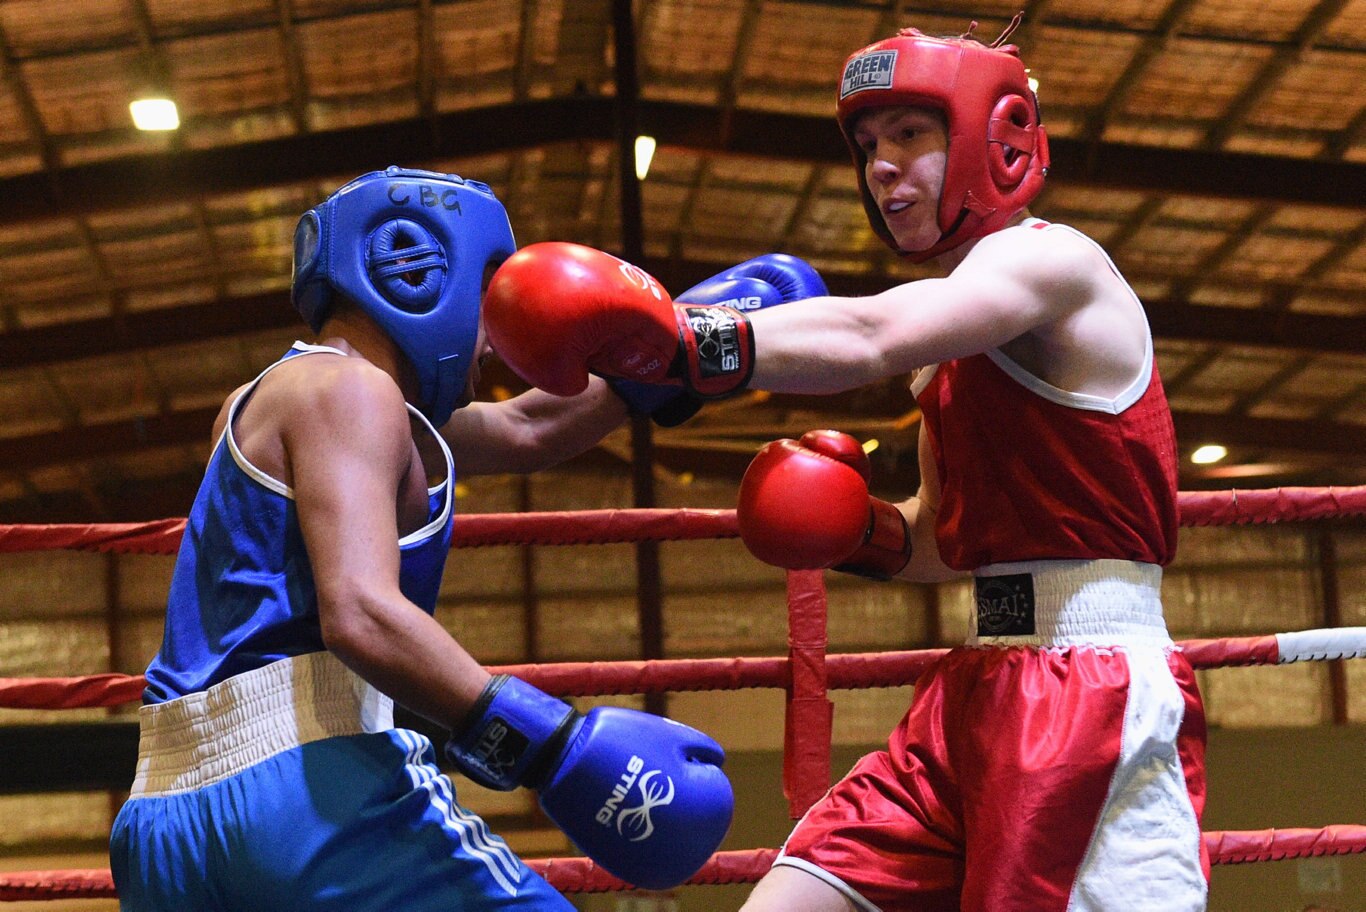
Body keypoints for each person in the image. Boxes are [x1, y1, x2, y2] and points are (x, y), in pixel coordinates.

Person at [480, 17, 1209, 912]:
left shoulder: (1052, 263)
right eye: (868, 146)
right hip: (977, 682)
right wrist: (858, 529)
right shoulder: (948, 344)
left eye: (910, 136)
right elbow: (947, 541)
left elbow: (868, 331)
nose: (882, 168)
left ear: (996, 141)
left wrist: (674, 337)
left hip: (1094, 685)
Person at [106, 166, 824, 910]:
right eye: (486, 292)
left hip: (164, 821)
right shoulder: (354, 393)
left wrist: (677, 342)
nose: (497, 331)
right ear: (415, 269)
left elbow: (529, 428)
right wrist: (549, 745)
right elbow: (359, 611)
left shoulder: (277, 398)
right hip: (303, 794)